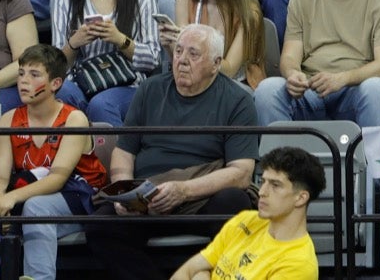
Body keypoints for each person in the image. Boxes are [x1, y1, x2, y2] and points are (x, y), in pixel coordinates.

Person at [85, 23, 259, 280]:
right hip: (146, 197)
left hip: (202, 196)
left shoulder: (238, 100)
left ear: (216, 63)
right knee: (101, 226)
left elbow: (241, 173)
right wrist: (125, 191)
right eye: (178, 52)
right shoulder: (150, 89)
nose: (182, 61)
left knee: (235, 204)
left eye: (193, 54)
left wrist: (184, 190)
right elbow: (124, 153)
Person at [0, 43, 108, 280]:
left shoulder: (74, 119)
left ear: (55, 84)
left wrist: (11, 198)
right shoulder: (8, 120)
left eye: (34, 74)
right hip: (29, 193)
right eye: (21, 74)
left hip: (79, 197)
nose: (23, 81)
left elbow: (58, 178)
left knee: (36, 209)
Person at [169, 145, 322, 280]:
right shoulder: (245, 220)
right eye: (263, 182)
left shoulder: (298, 265)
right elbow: (186, 272)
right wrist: (198, 274)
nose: (262, 192)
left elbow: (195, 273)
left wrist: (201, 275)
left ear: (301, 198)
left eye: (275, 185)